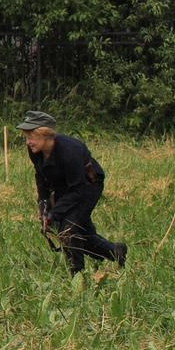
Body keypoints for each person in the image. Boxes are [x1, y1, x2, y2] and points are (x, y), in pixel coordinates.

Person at [19, 111, 127, 273]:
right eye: (26, 137)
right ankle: (115, 251)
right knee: (82, 233)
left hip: (87, 186)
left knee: (68, 231)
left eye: (31, 136)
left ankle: (78, 277)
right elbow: (41, 177)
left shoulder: (70, 151)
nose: (28, 142)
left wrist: (54, 213)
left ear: (45, 134)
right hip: (66, 187)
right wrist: (43, 204)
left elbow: (78, 189)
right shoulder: (35, 151)